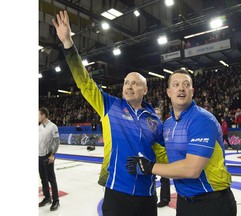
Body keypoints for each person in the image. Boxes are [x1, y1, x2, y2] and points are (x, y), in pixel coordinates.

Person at [52, 10, 168, 216]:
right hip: (117, 193)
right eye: (126, 82)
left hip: (148, 195)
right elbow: (84, 82)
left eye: (135, 83)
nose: (129, 86)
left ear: (146, 90)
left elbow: (165, 155)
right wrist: (68, 45)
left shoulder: (155, 121)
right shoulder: (110, 106)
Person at [126, 69, 237, 216]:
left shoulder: (202, 119)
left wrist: (148, 167)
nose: (181, 88)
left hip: (213, 203)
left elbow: (192, 170)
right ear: (168, 92)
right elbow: (169, 158)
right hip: (184, 203)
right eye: (176, 84)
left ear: (192, 91)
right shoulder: (168, 124)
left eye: (186, 84)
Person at [39, 107, 60, 211]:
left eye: (38, 115)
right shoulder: (39, 127)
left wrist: (53, 155)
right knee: (43, 179)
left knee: (51, 179)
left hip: (48, 156)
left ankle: (56, 201)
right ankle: (47, 198)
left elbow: (57, 142)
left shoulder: (53, 127)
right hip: (39, 156)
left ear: (43, 115)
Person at [154, 107, 171, 208]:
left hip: (163, 155)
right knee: (150, 178)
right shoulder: (148, 126)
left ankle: (165, 199)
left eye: (159, 113)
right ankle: (152, 197)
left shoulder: (165, 127)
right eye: (155, 113)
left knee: (165, 179)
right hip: (152, 155)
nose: (157, 115)